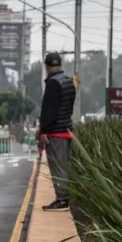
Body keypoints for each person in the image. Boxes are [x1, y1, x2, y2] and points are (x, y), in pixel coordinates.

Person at [37, 52, 76, 212]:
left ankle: (62, 200)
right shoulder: (68, 82)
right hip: (66, 129)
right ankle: (65, 198)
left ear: (47, 66)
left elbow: (49, 110)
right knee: (65, 165)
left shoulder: (53, 83)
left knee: (58, 167)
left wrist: (44, 130)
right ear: (60, 64)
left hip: (55, 132)